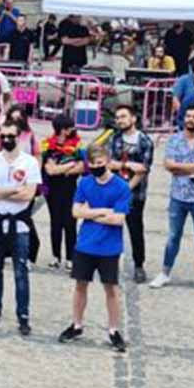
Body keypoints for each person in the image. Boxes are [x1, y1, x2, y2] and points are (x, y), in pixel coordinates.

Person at [57, 144, 131, 352]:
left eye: (100, 164)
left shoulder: (121, 187)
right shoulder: (85, 183)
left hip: (109, 247)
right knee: (80, 286)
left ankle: (114, 329)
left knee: (111, 289)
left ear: (107, 161)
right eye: (92, 164)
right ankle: (77, 324)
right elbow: (75, 212)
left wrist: (89, 212)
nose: (96, 167)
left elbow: (118, 219)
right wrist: (102, 211)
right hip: (85, 244)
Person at [0, 120, 42, 336]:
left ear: (19, 137)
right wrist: (11, 191)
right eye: (3, 136)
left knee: (21, 270)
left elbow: (29, 194)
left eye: (11, 136)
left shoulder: (29, 162)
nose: (6, 140)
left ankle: (23, 314)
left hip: (19, 222)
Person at [149, 105, 194, 296]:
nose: (190, 119)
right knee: (173, 237)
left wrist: (181, 168)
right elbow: (169, 165)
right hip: (178, 196)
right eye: (188, 116)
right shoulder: (174, 140)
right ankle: (165, 273)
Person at [109, 104, 153, 282]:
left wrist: (126, 189)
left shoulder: (144, 141)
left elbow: (144, 169)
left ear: (133, 118)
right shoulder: (115, 138)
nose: (120, 120)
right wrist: (127, 165)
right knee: (111, 227)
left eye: (123, 116)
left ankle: (139, 265)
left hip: (135, 193)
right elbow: (110, 163)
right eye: (118, 117)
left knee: (135, 230)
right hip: (115, 190)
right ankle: (109, 263)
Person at [42, 114, 84, 270]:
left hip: (70, 188)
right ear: (63, 130)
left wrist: (65, 169)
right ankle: (55, 256)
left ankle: (70, 258)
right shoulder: (48, 146)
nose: (73, 129)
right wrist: (69, 166)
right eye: (70, 127)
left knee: (70, 223)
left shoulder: (77, 146)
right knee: (55, 222)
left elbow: (81, 167)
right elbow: (50, 170)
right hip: (52, 189)